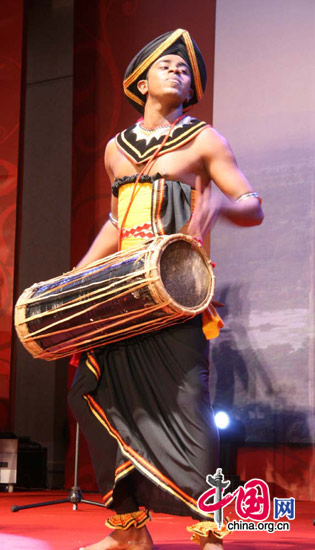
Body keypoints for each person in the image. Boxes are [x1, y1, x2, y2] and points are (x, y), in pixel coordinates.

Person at [68, 29, 264, 550]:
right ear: (141, 80)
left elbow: (252, 204)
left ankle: (210, 534)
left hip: (176, 290)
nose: (179, 70)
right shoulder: (115, 150)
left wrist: (219, 205)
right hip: (121, 293)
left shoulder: (203, 139)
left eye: (185, 68)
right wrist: (77, 274)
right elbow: (117, 222)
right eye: (168, 64)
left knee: (189, 402)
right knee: (102, 395)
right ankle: (128, 532)